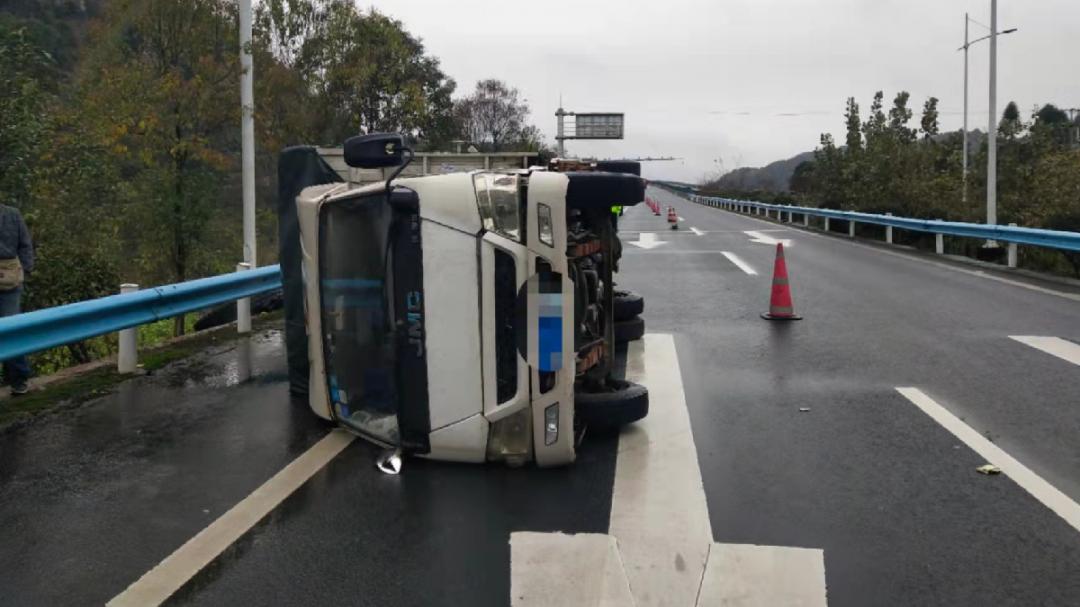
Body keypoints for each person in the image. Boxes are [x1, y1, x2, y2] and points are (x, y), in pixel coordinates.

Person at [0, 203, 33, 395]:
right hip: (13, 278)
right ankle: (18, 379)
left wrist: (25, 269)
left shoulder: (13, 215)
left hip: (11, 280)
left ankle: (19, 379)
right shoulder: (13, 214)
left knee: (11, 329)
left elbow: (24, 244)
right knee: (12, 329)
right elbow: (25, 245)